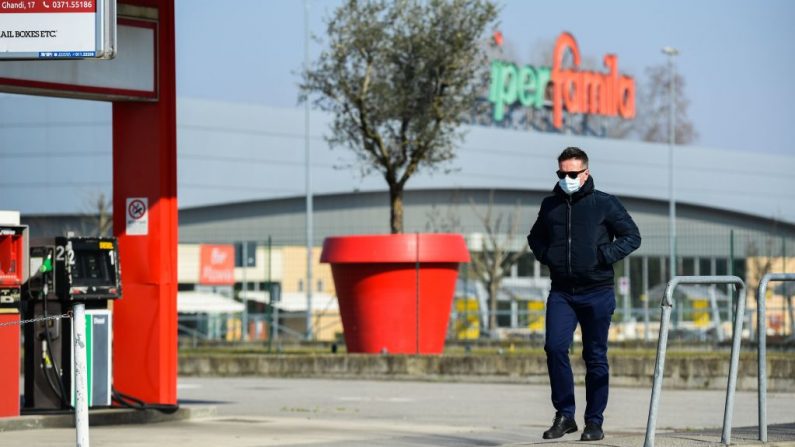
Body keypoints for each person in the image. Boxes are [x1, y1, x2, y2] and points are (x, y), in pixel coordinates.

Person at [527, 147, 641, 441]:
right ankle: (565, 415)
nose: (567, 178)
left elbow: (632, 237)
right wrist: (548, 255)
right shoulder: (550, 205)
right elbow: (535, 237)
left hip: (597, 291)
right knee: (554, 348)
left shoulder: (604, 203)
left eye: (572, 174)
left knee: (594, 356)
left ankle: (594, 422)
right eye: (562, 173)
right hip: (562, 293)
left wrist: (603, 255)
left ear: (585, 173)